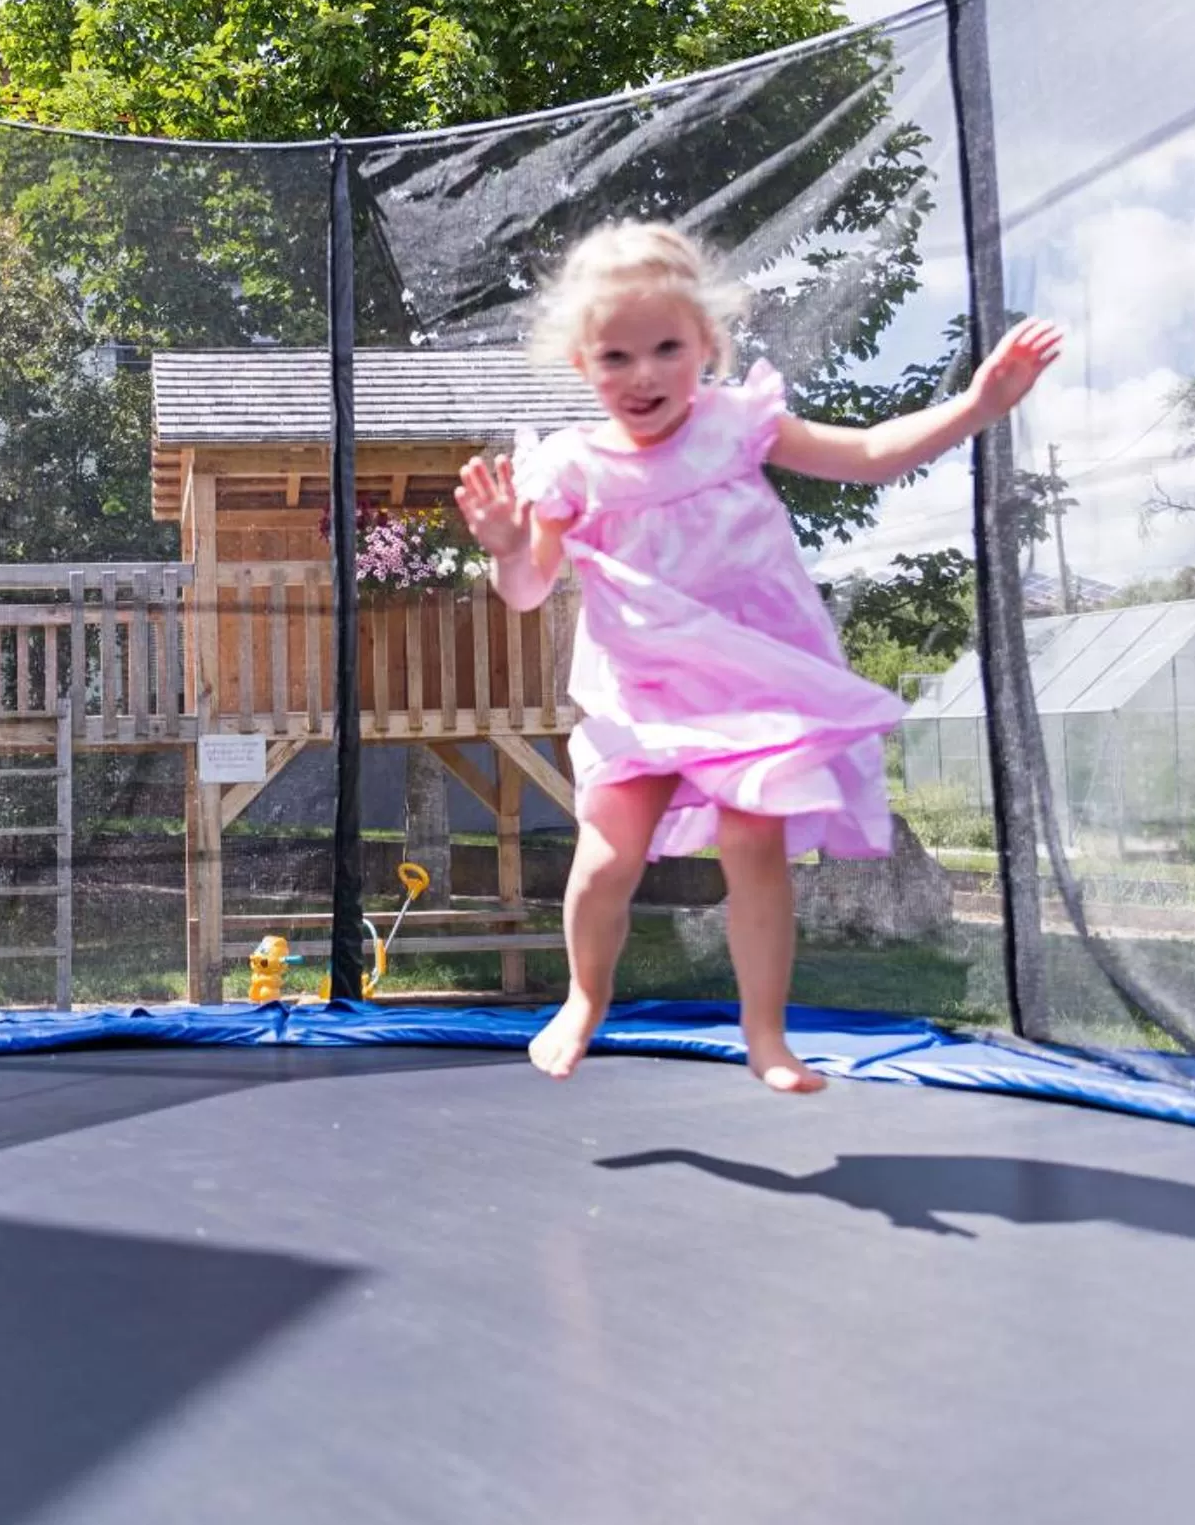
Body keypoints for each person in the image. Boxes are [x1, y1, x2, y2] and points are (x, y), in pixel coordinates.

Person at [453, 220, 1061, 1091]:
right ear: (583, 363)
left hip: (752, 686)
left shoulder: (737, 423)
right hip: (644, 691)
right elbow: (525, 591)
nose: (644, 374)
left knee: (755, 846)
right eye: (617, 356)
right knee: (608, 857)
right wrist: (511, 545)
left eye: (667, 348)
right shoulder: (572, 467)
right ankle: (585, 996)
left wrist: (976, 406)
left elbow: (867, 456)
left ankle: (767, 1035)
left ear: (706, 342)